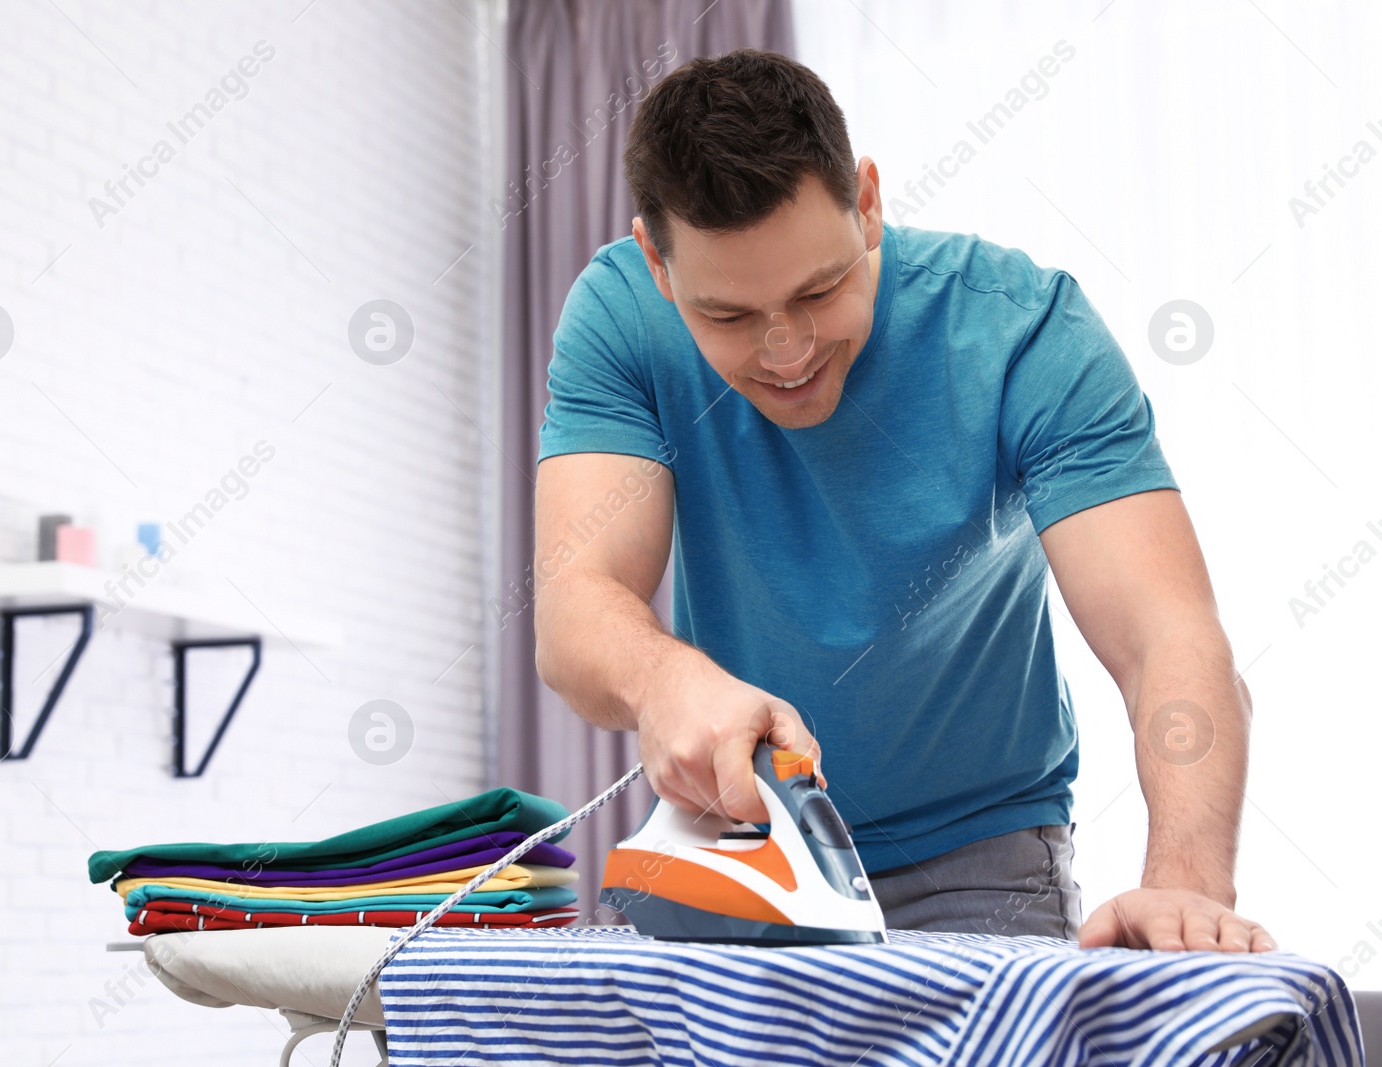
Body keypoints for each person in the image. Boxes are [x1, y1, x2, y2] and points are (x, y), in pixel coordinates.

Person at [531, 48, 1275, 953]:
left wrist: (1185, 895)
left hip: (981, 861)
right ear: (657, 261)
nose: (787, 350)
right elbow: (576, 608)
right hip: (741, 847)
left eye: (820, 288)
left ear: (870, 203)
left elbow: (1169, 637)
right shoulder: (619, 320)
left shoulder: (1024, 332)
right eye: (726, 316)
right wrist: (664, 679)